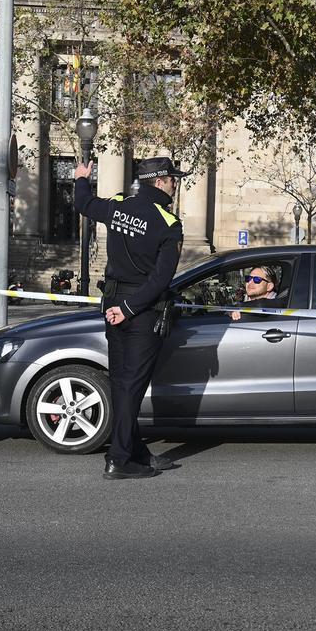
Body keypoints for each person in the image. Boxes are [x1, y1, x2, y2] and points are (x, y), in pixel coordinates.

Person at [74, 156, 186, 480]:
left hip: (112, 304)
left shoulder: (119, 205)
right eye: (173, 179)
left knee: (123, 385)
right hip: (140, 311)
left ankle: (138, 452)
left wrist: (82, 177)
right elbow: (160, 280)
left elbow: (84, 203)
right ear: (161, 181)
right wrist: (130, 309)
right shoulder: (168, 223)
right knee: (132, 388)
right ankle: (119, 458)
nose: (176, 184)